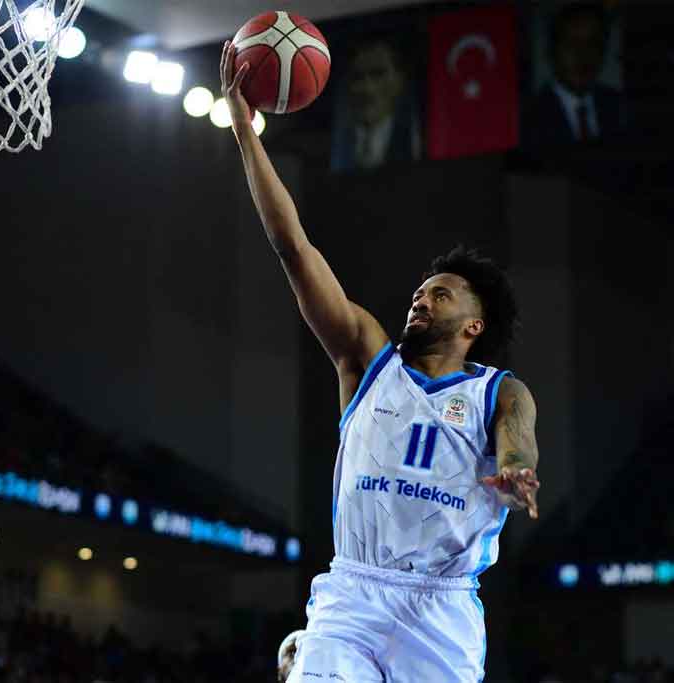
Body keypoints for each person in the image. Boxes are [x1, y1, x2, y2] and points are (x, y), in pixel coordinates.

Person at [221, 41, 540, 683]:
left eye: (440, 295)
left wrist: (514, 470)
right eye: (419, 293)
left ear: (474, 325)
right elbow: (292, 247)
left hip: (442, 611)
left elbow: (517, 439)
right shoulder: (366, 356)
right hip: (354, 595)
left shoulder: (499, 391)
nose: (421, 300)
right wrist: (244, 131)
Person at [525, 2, 624, 147]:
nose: (583, 54)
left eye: (593, 43)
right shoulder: (528, 116)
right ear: (551, 51)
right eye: (571, 43)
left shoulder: (619, 107)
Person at [330, 36, 422, 171]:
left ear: (400, 79)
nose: (367, 88)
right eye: (357, 77)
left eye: (378, 74)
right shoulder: (328, 147)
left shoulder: (420, 141)